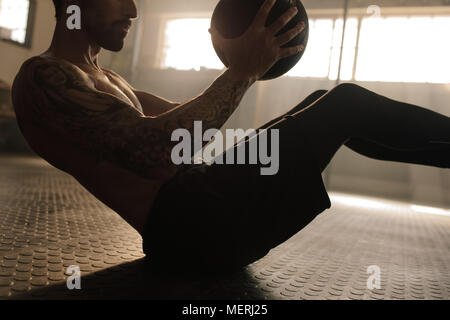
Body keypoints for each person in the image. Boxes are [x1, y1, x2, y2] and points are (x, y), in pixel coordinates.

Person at [12, 0, 449, 272]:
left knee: (325, 104)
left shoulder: (105, 77)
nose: (132, 10)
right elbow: (157, 152)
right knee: (345, 104)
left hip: (206, 206)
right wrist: (242, 69)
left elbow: (208, 135)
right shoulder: (45, 76)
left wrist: (254, 67)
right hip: (194, 224)